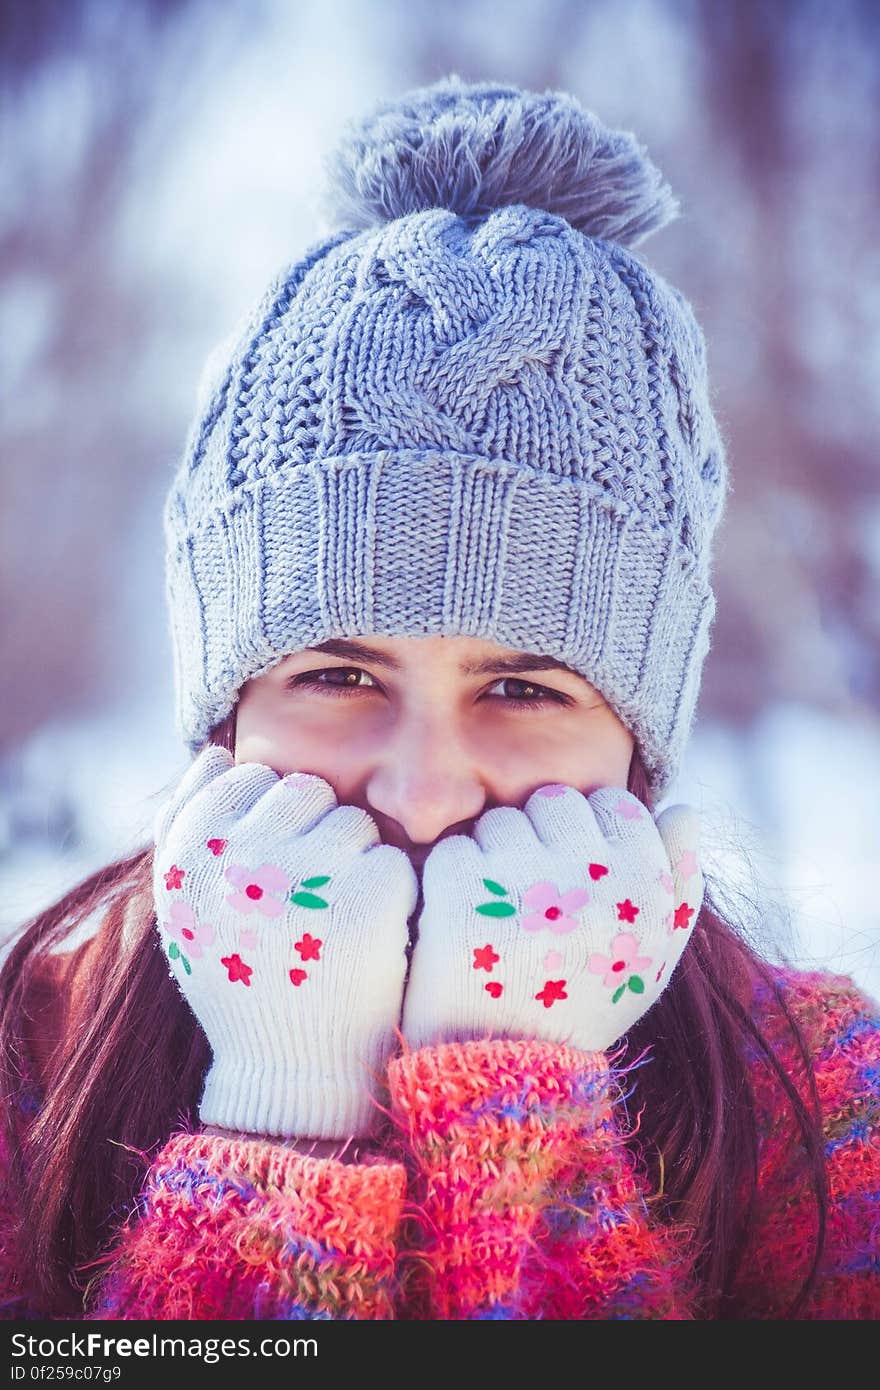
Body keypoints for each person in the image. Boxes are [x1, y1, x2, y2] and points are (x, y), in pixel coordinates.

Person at [1, 75, 877, 1324]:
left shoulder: (825, 1114)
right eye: (340, 674)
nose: (421, 787)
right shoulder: (24, 1080)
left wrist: (514, 1106)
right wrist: (283, 1112)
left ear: (640, 746)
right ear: (223, 717)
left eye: (522, 686)